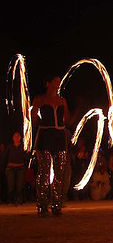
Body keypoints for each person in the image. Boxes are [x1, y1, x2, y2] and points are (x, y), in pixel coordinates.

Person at [31, 75, 70, 217]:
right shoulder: (39, 100)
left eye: (59, 82)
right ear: (48, 83)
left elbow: (67, 119)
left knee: (59, 173)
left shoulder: (62, 101)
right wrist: (37, 116)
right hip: (45, 136)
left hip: (59, 136)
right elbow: (34, 120)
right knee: (44, 172)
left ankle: (56, 205)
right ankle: (42, 204)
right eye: (55, 82)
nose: (57, 85)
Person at [5, 132, 26, 205]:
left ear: (20, 138)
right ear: (13, 138)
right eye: (15, 136)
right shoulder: (10, 147)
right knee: (11, 185)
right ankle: (11, 200)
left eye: (18, 136)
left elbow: (25, 157)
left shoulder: (23, 147)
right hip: (11, 168)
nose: (16, 138)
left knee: (19, 185)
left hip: (20, 167)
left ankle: (19, 200)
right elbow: (5, 157)